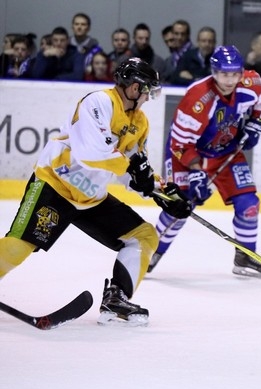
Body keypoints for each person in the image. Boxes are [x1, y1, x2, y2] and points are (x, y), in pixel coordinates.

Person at [0, 58, 191, 326]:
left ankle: (117, 298)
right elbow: (91, 154)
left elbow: (136, 169)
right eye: (149, 90)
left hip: (91, 197)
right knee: (19, 247)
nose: (150, 96)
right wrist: (134, 169)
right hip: (56, 183)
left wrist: (162, 192)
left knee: (144, 236)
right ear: (135, 88)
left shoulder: (140, 122)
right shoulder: (98, 103)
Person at [148, 46, 261, 278]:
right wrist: (196, 172)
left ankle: (246, 257)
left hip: (226, 151)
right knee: (181, 206)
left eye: (235, 74)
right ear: (214, 72)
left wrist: (255, 122)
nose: (230, 79)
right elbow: (179, 145)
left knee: (249, 204)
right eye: (225, 74)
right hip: (187, 154)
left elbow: (260, 101)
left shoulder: (252, 83)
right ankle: (151, 251)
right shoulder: (198, 98)